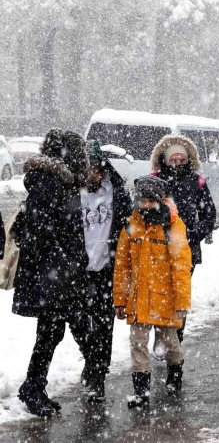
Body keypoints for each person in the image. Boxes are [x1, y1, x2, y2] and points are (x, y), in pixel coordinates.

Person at [11, 129, 90, 417]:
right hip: (51, 274)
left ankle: (34, 386)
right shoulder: (50, 181)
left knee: (53, 330)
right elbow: (40, 229)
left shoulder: (58, 179)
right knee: (52, 331)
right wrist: (65, 263)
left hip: (54, 272)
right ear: (70, 152)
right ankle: (33, 387)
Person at [113, 176, 192, 408]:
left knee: (170, 343)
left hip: (165, 299)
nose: (146, 205)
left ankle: (175, 374)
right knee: (137, 343)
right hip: (138, 300)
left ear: (159, 200)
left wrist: (182, 302)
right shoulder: (131, 225)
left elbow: (181, 268)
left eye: (151, 200)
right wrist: (120, 298)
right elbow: (122, 266)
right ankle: (141, 392)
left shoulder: (173, 226)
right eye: (143, 200)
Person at [79, 140, 133, 402]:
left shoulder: (117, 193)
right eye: (87, 169)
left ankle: (97, 374)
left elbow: (128, 228)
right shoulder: (71, 193)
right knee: (78, 323)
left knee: (103, 324)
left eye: (96, 169)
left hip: (106, 269)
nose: (92, 175)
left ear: (103, 169)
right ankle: (91, 361)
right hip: (78, 271)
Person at [150, 135, 216, 344]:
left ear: (189, 159)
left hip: (186, 249)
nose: (177, 163)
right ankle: (161, 336)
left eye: (182, 159)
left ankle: (176, 337)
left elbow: (209, 214)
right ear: (165, 159)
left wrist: (194, 235)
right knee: (160, 292)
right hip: (158, 247)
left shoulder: (197, 182)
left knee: (180, 293)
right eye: (173, 159)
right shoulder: (154, 180)